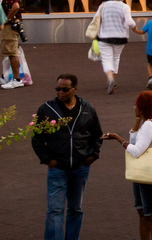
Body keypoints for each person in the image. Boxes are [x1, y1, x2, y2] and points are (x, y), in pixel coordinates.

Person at [34, 73, 104, 240]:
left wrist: (93, 155)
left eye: (65, 90)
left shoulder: (87, 109)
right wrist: (47, 159)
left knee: (76, 208)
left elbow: (97, 135)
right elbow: (37, 138)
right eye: (57, 89)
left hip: (80, 168)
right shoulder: (46, 109)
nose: (60, 92)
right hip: (58, 169)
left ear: (74, 90)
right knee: (55, 210)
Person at [103, 89, 152, 240]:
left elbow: (136, 151)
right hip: (142, 172)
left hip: (145, 173)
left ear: (143, 106)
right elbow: (133, 141)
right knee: (143, 212)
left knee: (151, 214)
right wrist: (137, 120)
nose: (134, 107)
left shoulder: (149, 125)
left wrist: (117, 138)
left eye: (136, 104)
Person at [94, 0, 139, 95]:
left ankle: (110, 79)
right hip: (120, 37)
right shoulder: (125, 7)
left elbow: (96, 19)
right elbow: (129, 21)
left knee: (106, 59)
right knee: (116, 57)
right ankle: (112, 79)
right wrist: (135, 28)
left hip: (104, 36)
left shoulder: (103, 5)